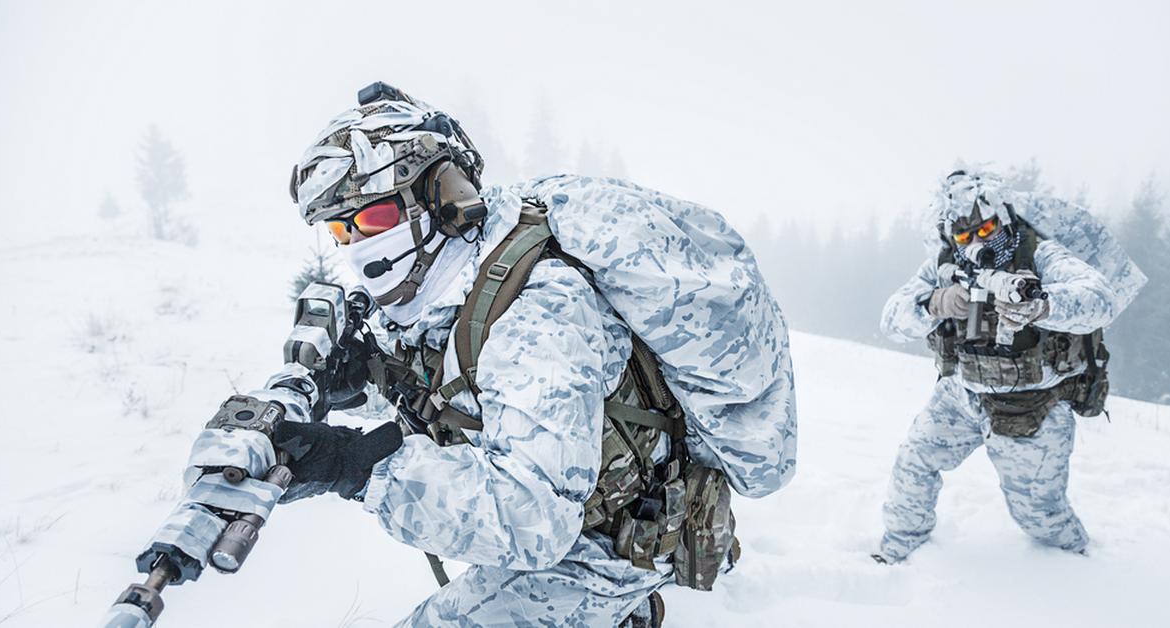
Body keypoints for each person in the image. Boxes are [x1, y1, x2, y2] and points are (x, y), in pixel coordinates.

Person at [151, 82, 798, 628]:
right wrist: (361, 378)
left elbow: (533, 522)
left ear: (439, 194)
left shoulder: (537, 311)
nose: (355, 244)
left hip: (614, 541)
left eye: (371, 220)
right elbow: (457, 383)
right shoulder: (443, 275)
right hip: (578, 508)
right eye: (340, 229)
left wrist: (353, 464)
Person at [872, 168, 1143, 564]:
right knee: (914, 464)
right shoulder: (945, 264)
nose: (977, 242)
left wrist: (1043, 305)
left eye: (986, 229)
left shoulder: (1039, 253)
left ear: (1002, 216)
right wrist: (933, 303)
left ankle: (1079, 567)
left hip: (1033, 406)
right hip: (962, 393)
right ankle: (897, 550)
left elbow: (1099, 298)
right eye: (964, 235)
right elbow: (890, 321)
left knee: (1039, 515)